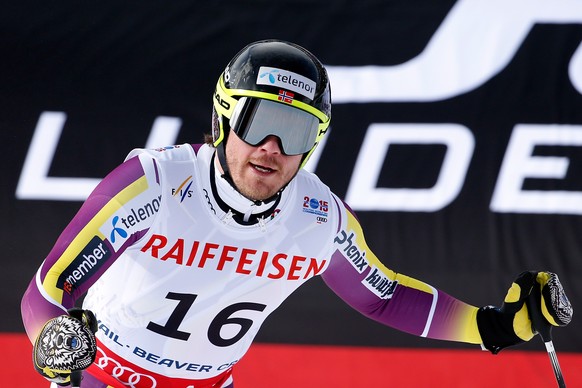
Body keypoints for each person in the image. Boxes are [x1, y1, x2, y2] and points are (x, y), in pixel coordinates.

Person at [21, 39, 573, 388]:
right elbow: (46, 296)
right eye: (258, 122)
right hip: (100, 380)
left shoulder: (318, 219)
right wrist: (52, 343)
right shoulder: (153, 186)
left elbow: (384, 298)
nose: (271, 148)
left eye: (296, 132)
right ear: (222, 119)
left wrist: (492, 325)